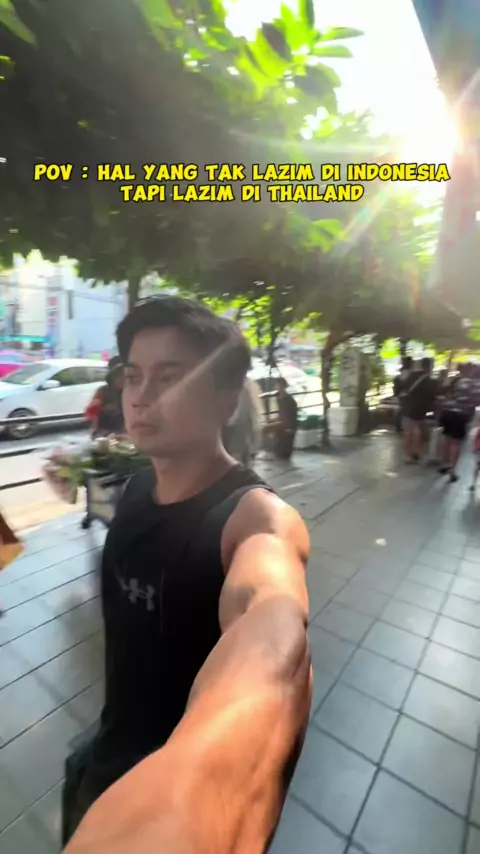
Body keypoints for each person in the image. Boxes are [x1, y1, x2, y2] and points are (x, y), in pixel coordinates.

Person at [62, 296, 311, 847]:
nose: (141, 396)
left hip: (176, 796)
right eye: (134, 376)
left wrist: (199, 784)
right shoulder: (136, 487)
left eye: (170, 378)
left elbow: (271, 619)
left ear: (226, 401)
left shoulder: (254, 518)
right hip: (105, 755)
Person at [439, 363, 476, 483]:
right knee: (456, 443)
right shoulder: (475, 384)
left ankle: (444, 464)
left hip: (447, 412)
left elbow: (444, 392)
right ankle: (452, 470)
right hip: (460, 414)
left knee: (447, 439)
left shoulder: (455, 380)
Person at [402, 357, 437, 463]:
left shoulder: (412, 376)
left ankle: (407, 455)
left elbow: (404, 388)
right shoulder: (430, 381)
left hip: (409, 406)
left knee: (408, 431)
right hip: (422, 408)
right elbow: (432, 396)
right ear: (430, 367)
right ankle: (415, 452)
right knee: (417, 429)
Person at [222, 376, 263, 467]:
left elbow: (241, 413)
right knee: (241, 453)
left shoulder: (242, 393)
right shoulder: (243, 392)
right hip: (241, 428)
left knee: (238, 453)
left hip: (239, 429)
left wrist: (227, 422)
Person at [85, 357, 125, 438]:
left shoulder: (129, 391)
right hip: (104, 432)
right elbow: (91, 413)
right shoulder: (103, 391)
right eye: (119, 376)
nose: (123, 379)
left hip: (125, 432)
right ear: (112, 378)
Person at [264, 377, 298, 460]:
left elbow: (289, 415)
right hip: (283, 421)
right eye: (277, 385)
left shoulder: (287, 399)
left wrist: (278, 421)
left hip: (286, 423)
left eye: (279, 385)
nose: (278, 387)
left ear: (283, 386)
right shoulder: (281, 398)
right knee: (268, 424)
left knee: (264, 429)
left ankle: (268, 452)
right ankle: (271, 450)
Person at [393, 355, 413, 433]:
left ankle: (398, 425)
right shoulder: (410, 373)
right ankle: (401, 425)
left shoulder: (401, 373)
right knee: (405, 411)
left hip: (401, 394)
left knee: (401, 410)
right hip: (408, 395)